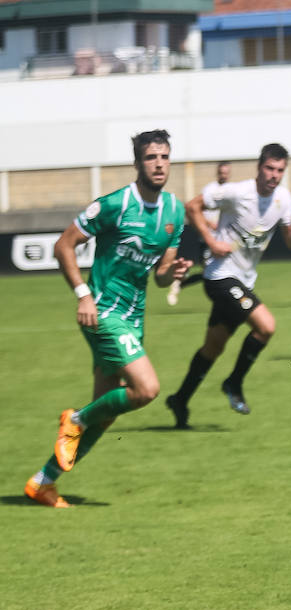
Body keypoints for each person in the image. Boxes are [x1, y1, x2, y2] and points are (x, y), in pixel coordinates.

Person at [22, 129, 190, 508]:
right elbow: (63, 245)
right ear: (137, 163)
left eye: (164, 156)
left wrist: (174, 272)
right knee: (146, 389)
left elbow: (161, 276)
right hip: (103, 313)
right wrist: (83, 294)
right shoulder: (116, 204)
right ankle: (76, 420)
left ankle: (43, 482)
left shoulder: (175, 212)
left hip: (135, 317)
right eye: (151, 157)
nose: (159, 164)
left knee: (108, 414)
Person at [164, 143, 291, 428]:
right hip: (220, 276)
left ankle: (180, 399)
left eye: (280, 170)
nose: (274, 175)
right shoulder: (238, 192)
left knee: (213, 347)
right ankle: (234, 383)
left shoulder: (284, 199)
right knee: (266, 326)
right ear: (259, 167)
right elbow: (191, 207)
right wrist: (211, 241)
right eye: (269, 168)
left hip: (244, 281)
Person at [167, 160, 229, 306]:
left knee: (219, 271)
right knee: (210, 272)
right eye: (222, 173)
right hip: (207, 239)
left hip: (221, 239)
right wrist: (209, 223)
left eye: (226, 173)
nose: (224, 175)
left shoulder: (230, 190)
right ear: (218, 173)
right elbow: (194, 210)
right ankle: (180, 284)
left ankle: (226, 300)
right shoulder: (210, 190)